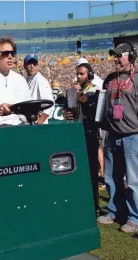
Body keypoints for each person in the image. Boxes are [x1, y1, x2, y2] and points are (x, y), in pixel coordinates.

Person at [97, 42, 138, 233]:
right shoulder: (109, 79)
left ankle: (134, 217)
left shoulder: (137, 79)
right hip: (112, 135)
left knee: (133, 180)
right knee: (111, 177)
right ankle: (114, 210)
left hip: (133, 136)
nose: (115, 59)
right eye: (114, 55)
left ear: (131, 56)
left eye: (119, 55)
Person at [63, 63, 101, 214]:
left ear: (89, 75)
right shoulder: (73, 91)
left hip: (90, 133)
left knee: (91, 171)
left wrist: (78, 94)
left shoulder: (94, 90)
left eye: (82, 74)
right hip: (76, 133)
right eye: (78, 74)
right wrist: (66, 113)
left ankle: (95, 205)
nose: (79, 77)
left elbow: (90, 106)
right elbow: (66, 108)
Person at [23, 54, 54, 124]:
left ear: (38, 65)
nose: (32, 66)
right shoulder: (27, 80)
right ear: (24, 66)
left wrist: (40, 122)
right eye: (29, 64)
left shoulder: (40, 80)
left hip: (37, 123)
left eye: (34, 64)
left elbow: (49, 102)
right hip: (30, 121)